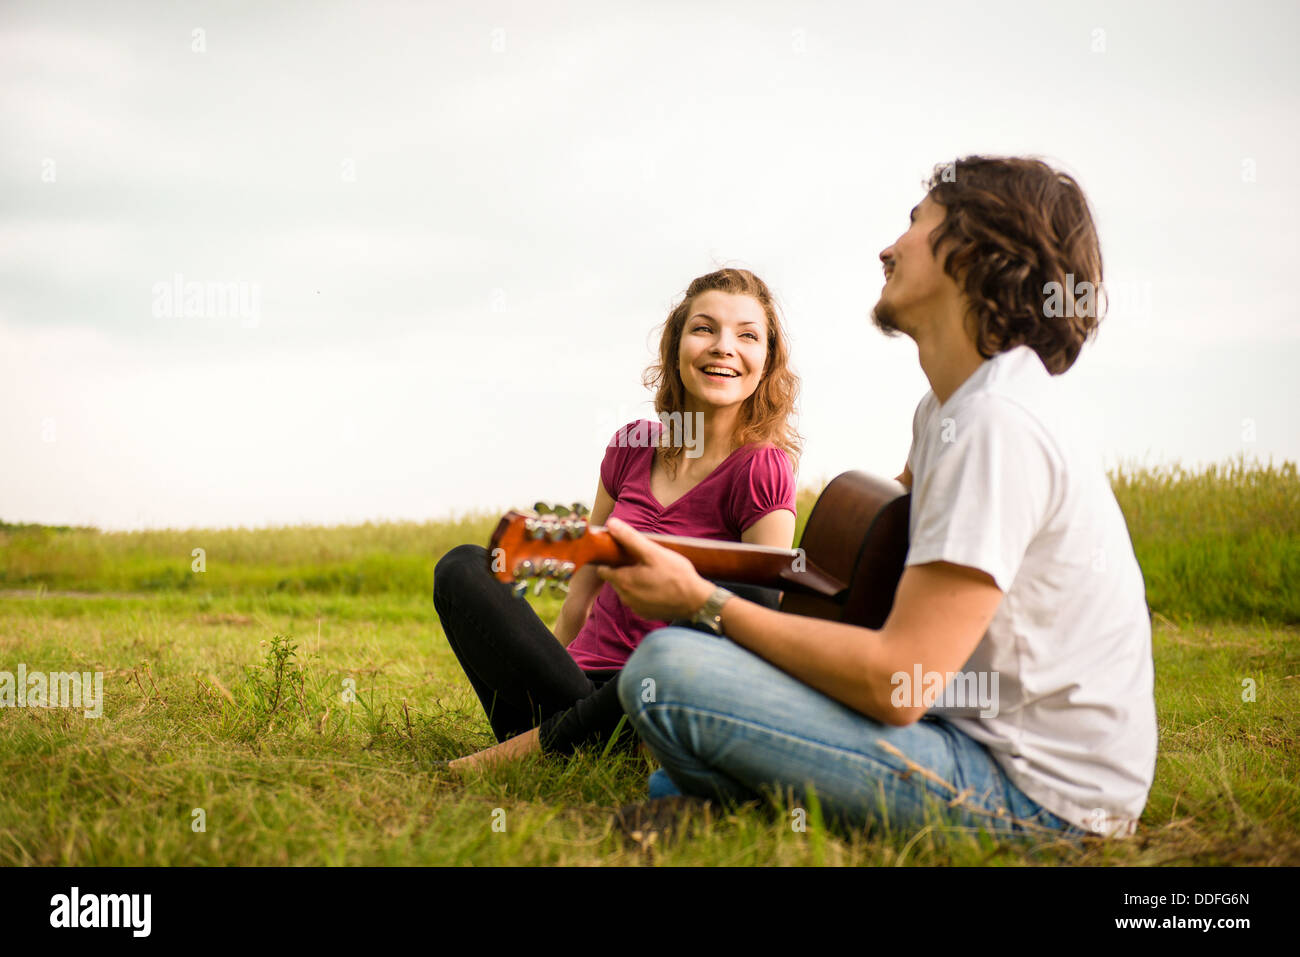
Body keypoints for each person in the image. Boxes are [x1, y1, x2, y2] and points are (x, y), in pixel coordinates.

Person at [604, 156, 1158, 842]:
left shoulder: (997, 423)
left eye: (915, 223)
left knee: (668, 667)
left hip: (1039, 801)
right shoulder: (951, 409)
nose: (888, 247)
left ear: (972, 253)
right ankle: (745, 806)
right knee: (692, 667)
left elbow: (899, 678)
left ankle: (737, 801)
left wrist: (702, 600)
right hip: (957, 734)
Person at [432, 268, 802, 772]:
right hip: (573, 686)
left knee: (729, 607)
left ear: (766, 361)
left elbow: (755, 635)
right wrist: (540, 665)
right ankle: (553, 739)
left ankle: (549, 750)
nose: (723, 346)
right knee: (462, 568)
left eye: (747, 335)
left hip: (654, 704)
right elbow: (578, 600)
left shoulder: (762, 469)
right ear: (676, 346)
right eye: (704, 328)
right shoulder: (633, 446)